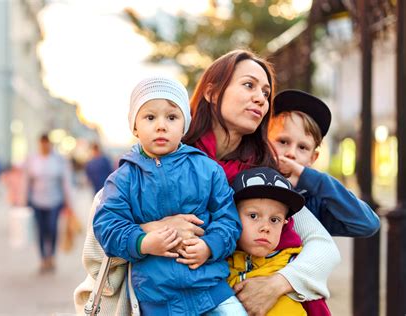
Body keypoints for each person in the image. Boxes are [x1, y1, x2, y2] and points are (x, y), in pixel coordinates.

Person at [75, 50, 340, 316]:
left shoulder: (262, 174)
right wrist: (152, 229)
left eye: (265, 92)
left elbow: (323, 246)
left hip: (221, 296)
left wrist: (277, 283)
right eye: (248, 85)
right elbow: (99, 242)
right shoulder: (153, 159)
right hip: (157, 300)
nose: (260, 97)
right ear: (213, 93)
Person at [93, 76, 245, 315]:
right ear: (134, 126)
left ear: (184, 124)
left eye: (172, 117)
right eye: (150, 117)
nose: (161, 126)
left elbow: (229, 221)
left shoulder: (207, 170)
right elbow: (107, 226)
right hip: (158, 301)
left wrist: (209, 246)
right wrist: (143, 242)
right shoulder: (124, 179)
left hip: (212, 291)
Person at [268, 89, 380, 237]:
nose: (291, 153)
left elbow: (368, 224)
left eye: (302, 147)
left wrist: (314, 180)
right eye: (283, 141)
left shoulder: (316, 202)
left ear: (312, 158)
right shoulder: (247, 179)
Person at [228, 167, 331, 315]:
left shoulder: (296, 268)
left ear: (285, 224)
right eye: (253, 216)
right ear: (233, 216)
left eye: (274, 220)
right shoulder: (219, 265)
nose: (265, 227)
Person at [23, 134, 73, 273]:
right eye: (42, 144)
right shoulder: (33, 160)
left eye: (46, 143)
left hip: (55, 201)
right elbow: (27, 180)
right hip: (37, 201)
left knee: (52, 229)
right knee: (40, 230)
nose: (44, 146)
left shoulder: (58, 160)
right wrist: (23, 199)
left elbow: (65, 182)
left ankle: (52, 257)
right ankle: (43, 259)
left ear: (49, 144)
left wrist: (69, 202)